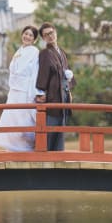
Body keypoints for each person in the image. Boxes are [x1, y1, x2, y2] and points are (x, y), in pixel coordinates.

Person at [0, 25, 40, 151]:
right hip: (14, 90)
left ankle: (26, 147)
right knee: (11, 117)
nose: (27, 37)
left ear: (34, 39)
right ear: (22, 35)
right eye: (26, 33)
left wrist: (33, 92)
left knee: (23, 118)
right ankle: (13, 147)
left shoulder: (34, 52)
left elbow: (34, 73)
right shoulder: (19, 51)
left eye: (30, 35)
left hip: (25, 90)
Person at [35, 22, 75, 151]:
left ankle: (58, 159)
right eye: (46, 35)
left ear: (55, 32)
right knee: (50, 131)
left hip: (63, 96)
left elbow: (67, 74)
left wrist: (69, 91)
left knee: (60, 131)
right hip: (52, 97)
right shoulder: (45, 53)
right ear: (43, 38)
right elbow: (42, 75)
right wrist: (41, 92)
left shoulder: (61, 52)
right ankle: (46, 160)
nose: (50, 36)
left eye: (51, 33)